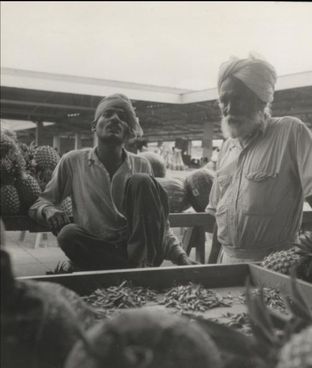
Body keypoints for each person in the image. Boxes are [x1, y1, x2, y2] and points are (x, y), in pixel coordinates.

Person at [29, 94, 195, 270]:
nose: (115, 118)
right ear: (94, 126)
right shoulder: (73, 161)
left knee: (142, 181)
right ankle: (133, 271)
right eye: (107, 114)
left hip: (133, 249)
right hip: (95, 247)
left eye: (123, 117)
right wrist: (49, 211)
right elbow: (41, 202)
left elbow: (158, 221)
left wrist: (181, 257)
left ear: (130, 131)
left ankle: (130, 266)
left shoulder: (141, 164)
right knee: (68, 234)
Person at [207, 55, 312, 264]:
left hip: (274, 263)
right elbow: (219, 216)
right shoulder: (227, 147)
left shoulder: (290, 131)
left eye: (236, 98)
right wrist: (210, 267)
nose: (228, 108)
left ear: (259, 99)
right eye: (223, 101)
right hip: (225, 260)